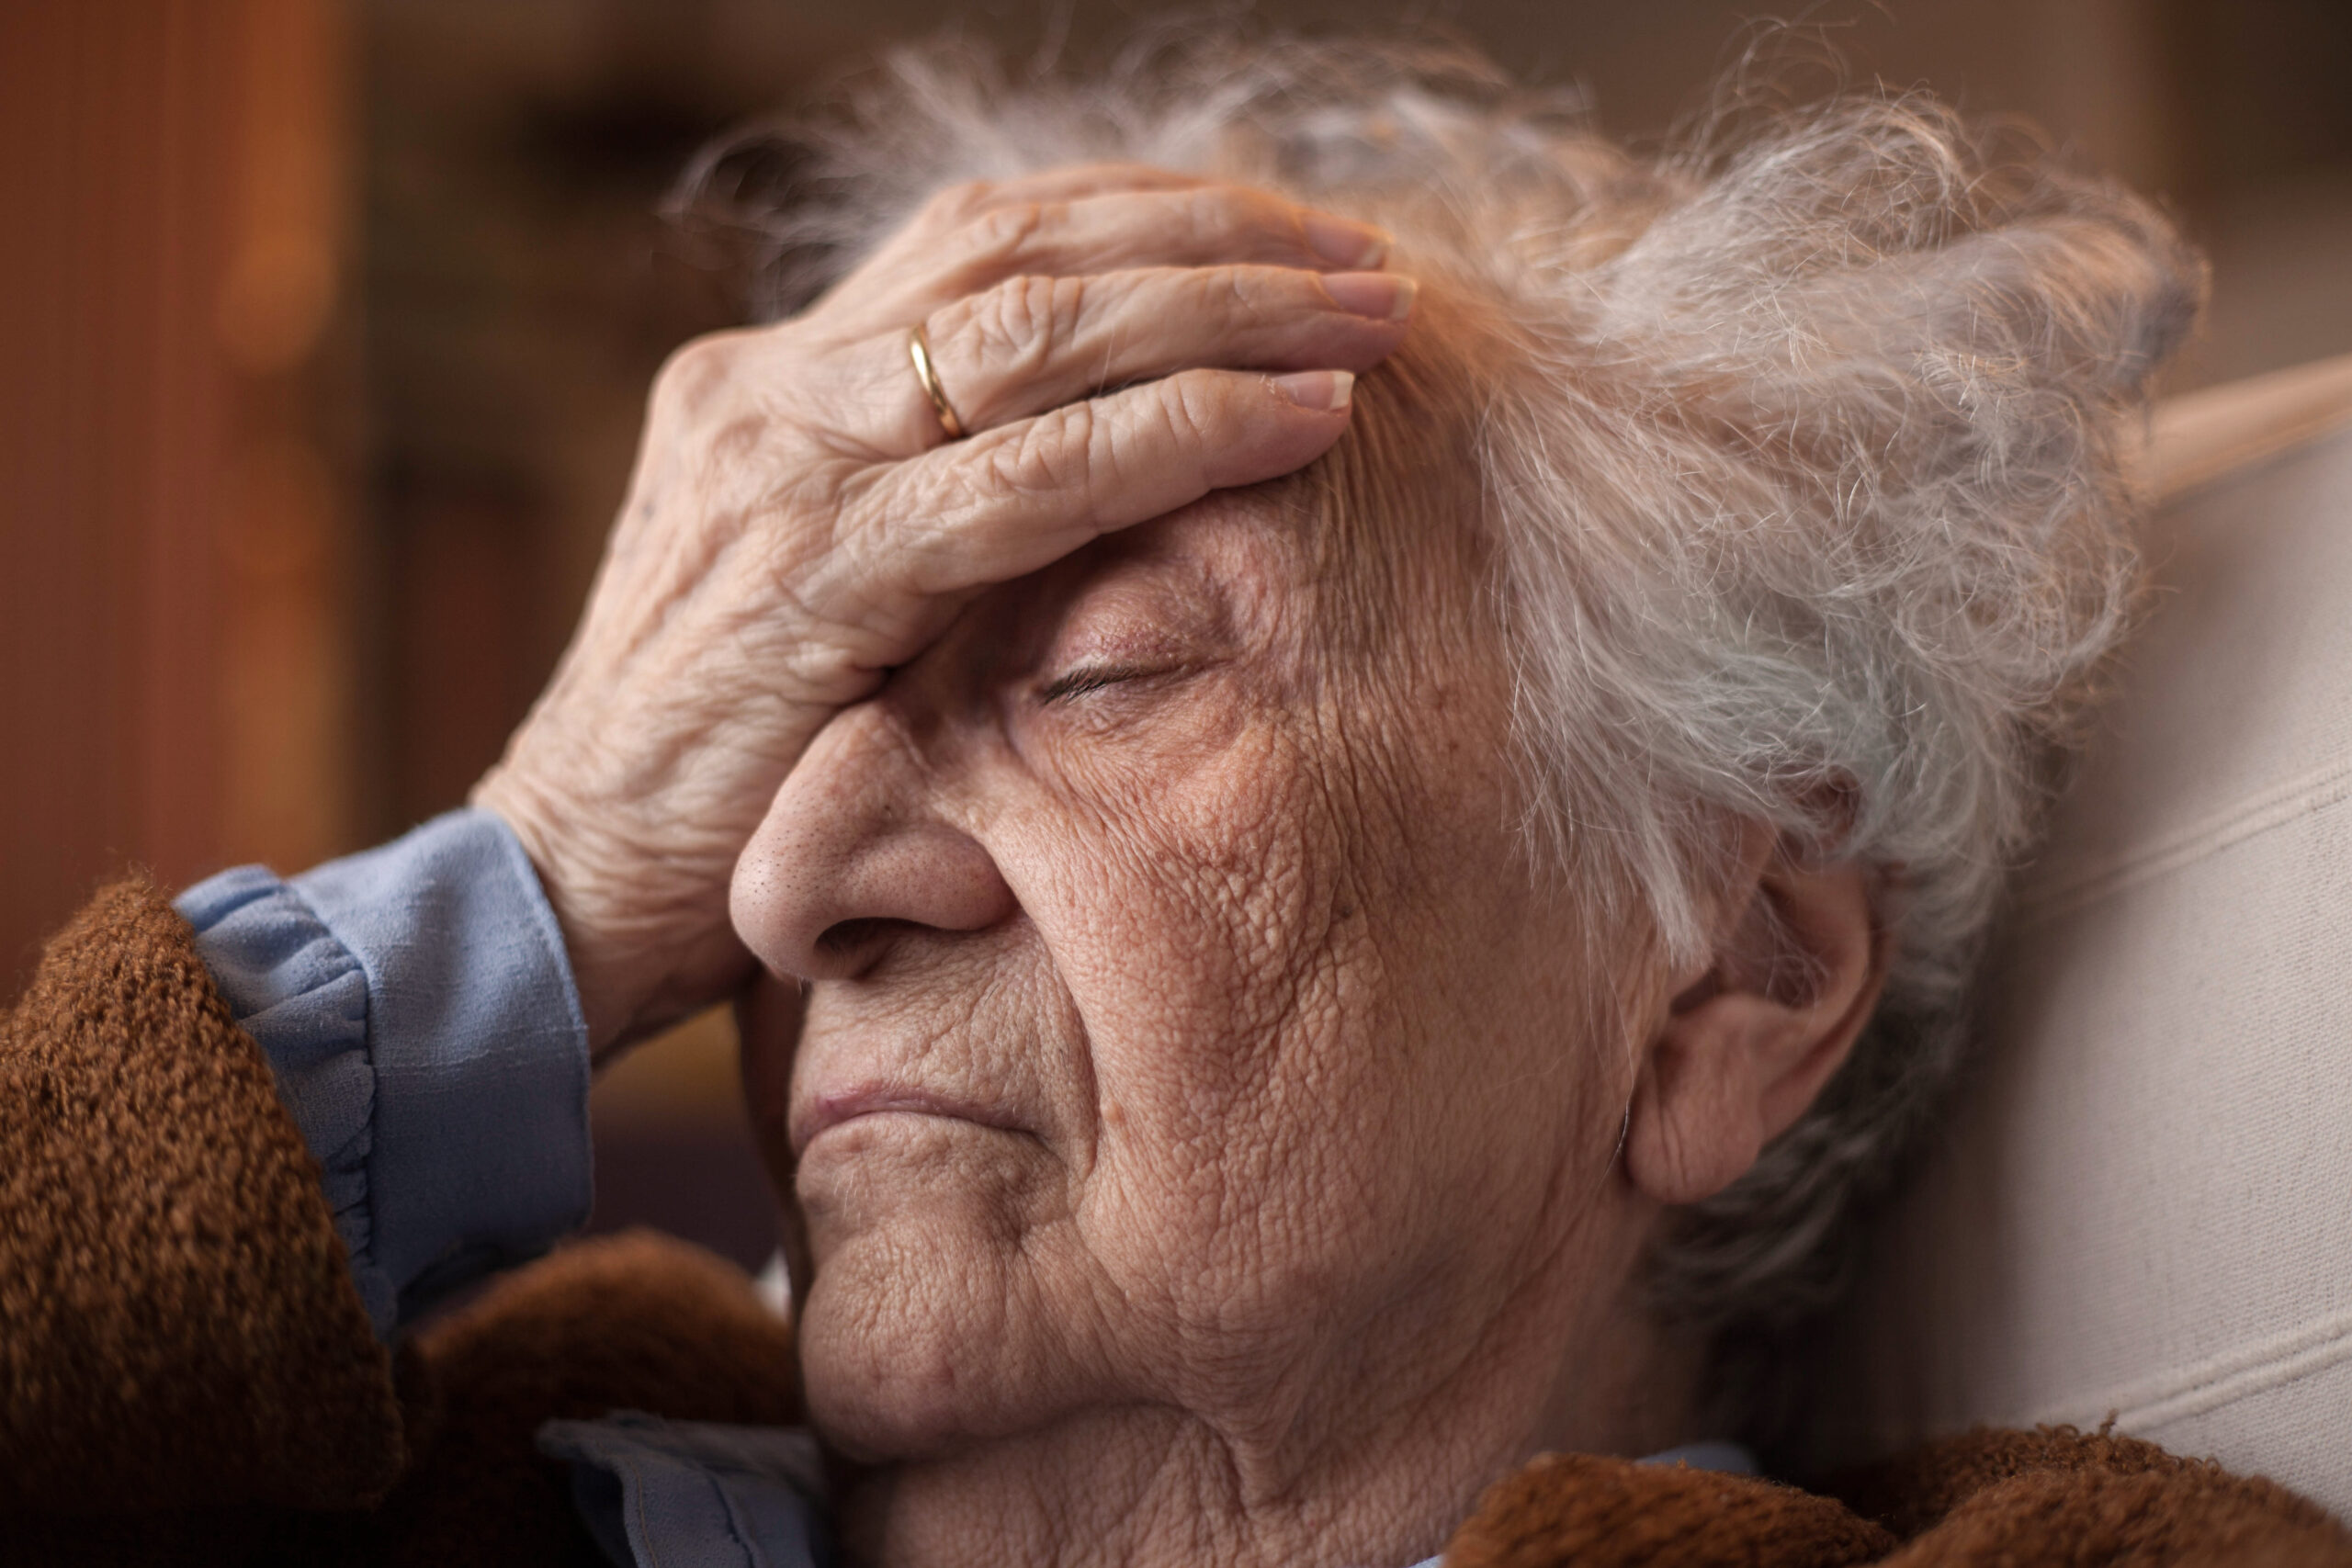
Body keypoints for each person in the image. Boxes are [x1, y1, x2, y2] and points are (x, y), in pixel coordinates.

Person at [4, 34, 2346, 1568]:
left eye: (1106, 669)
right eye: (800, 710)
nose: (793, 882)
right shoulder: (418, 1473)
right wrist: (540, 860)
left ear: (1725, 967)